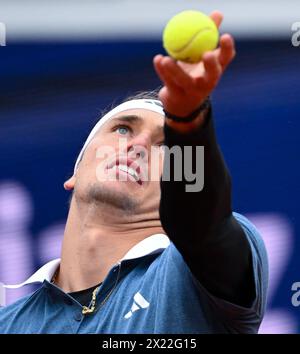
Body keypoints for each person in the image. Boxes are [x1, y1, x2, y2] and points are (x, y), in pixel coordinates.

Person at [0, 11, 268, 334]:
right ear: (75, 171)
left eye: (165, 146)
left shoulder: (190, 281)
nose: (138, 145)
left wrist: (187, 121)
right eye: (124, 129)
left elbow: (199, 220)